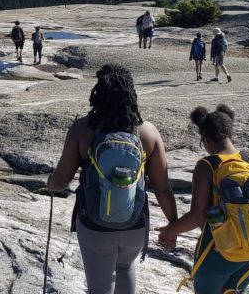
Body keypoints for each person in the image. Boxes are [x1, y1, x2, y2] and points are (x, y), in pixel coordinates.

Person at [47, 64, 178, 294]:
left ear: (98, 92)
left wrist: (50, 183)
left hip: (94, 224)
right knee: (126, 267)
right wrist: (173, 225)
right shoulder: (147, 132)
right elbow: (163, 188)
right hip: (135, 223)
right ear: (132, 94)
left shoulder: (82, 129)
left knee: (100, 288)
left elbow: (61, 181)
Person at [157, 105, 249, 294]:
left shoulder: (207, 167)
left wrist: (169, 232)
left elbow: (196, 217)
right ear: (230, 134)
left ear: (205, 139)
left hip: (219, 253)